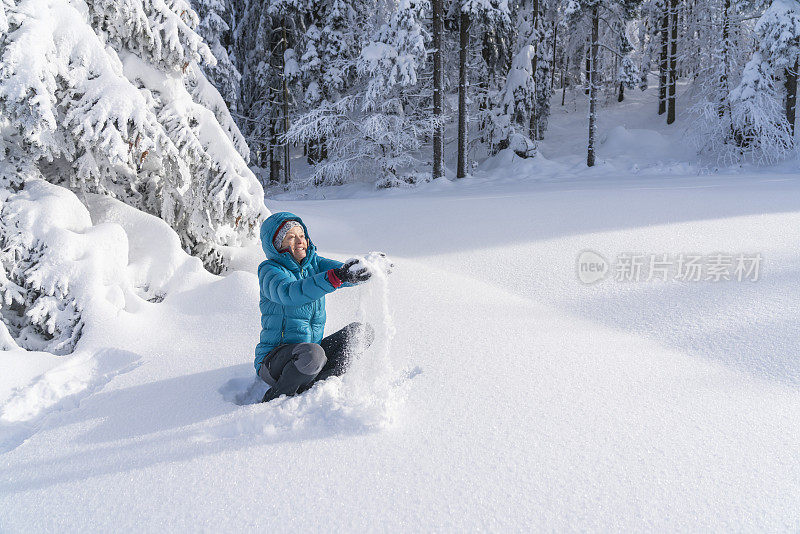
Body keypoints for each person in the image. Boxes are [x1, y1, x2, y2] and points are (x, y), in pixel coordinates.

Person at [255, 211, 384, 403]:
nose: (299, 241)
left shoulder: (313, 263)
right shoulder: (270, 271)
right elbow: (290, 293)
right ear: (276, 245)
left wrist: (370, 270)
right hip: (275, 362)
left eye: (301, 236)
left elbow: (343, 272)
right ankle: (275, 397)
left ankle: (321, 383)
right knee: (313, 355)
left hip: (310, 353)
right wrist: (335, 278)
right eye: (290, 237)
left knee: (360, 332)